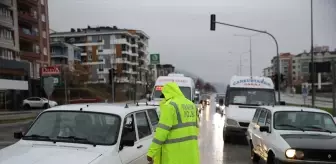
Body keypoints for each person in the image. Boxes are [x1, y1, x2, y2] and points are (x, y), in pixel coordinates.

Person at [147, 82, 200, 164]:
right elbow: (196, 129)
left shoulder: (170, 106)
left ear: (168, 94)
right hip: (190, 155)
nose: (164, 98)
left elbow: (161, 133)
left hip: (173, 156)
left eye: (164, 96)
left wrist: (151, 152)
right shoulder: (191, 105)